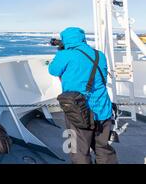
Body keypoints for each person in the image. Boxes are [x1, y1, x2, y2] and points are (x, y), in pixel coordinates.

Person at [48, 27, 118, 164]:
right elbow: (102, 76)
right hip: (103, 110)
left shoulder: (66, 54)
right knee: (103, 149)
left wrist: (61, 51)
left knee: (79, 151)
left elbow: (53, 70)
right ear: (83, 38)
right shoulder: (99, 55)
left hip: (78, 112)